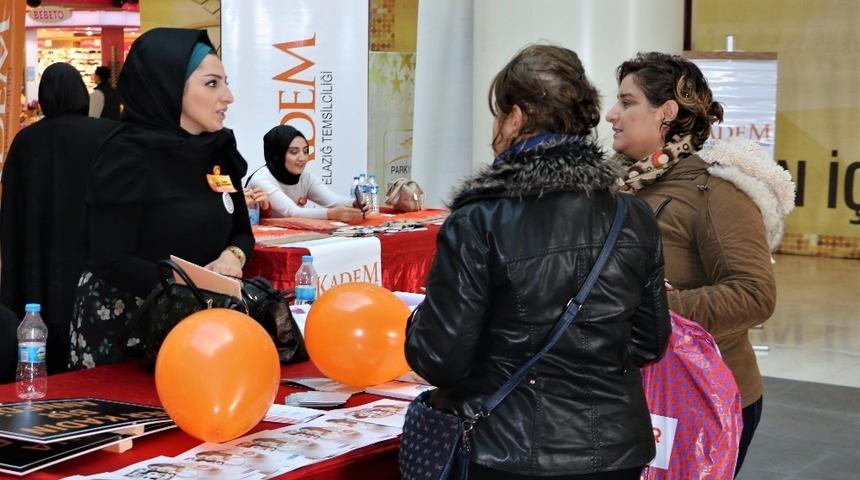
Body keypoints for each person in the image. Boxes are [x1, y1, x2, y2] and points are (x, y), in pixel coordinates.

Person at [405, 44, 671, 480]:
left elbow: (440, 359)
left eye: (497, 115)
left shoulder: (480, 218)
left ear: (515, 117)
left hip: (506, 449)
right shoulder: (632, 214)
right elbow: (648, 342)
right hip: (615, 449)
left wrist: (418, 322)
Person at [606, 52, 793, 476]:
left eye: (627, 102)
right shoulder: (622, 185)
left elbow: (754, 294)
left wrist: (649, 311)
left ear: (666, 113)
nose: (611, 114)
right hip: (635, 390)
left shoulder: (716, 189)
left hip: (700, 394)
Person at [69, 28, 254, 370]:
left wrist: (233, 256)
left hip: (203, 329)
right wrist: (192, 286)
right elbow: (110, 258)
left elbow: (242, 231)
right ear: (167, 86)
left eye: (225, 82)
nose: (228, 96)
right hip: (129, 328)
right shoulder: (126, 156)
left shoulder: (218, 150)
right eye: (212, 83)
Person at [0, 62, 118, 374]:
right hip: (92, 254)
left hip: (40, 256)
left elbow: (12, 206)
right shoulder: (106, 134)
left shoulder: (27, 141)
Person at [246, 125, 367, 222]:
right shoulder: (261, 179)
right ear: (277, 155)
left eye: (305, 151)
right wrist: (332, 214)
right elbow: (292, 212)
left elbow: (333, 201)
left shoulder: (305, 178)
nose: (302, 158)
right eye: (294, 152)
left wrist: (353, 204)